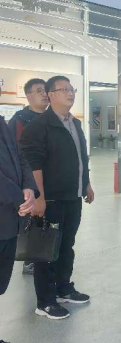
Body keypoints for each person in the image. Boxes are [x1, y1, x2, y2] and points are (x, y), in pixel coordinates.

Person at [20, 75, 95, 320]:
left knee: (66, 246)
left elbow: (81, 157)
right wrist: (39, 198)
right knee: (46, 251)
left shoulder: (75, 123)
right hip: (50, 200)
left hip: (73, 197)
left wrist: (86, 184)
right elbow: (33, 165)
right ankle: (45, 302)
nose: (70, 93)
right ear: (50, 95)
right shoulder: (39, 126)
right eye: (64, 89)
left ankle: (63, 288)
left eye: (71, 89)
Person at [0, 114, 38, 343]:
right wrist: (19, 199)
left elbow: (20, 157)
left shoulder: (2, 124)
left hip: (9, 221)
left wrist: (29, 188)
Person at [8, 77, 49, 276]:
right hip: (29, 181)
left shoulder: (54, 118)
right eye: (39, 90)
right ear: (28, 95)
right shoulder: (19, 120)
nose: (44, 94)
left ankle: (49, 253)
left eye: (45, 90)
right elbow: (14, 155)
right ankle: (30, 258)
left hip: (53, 179)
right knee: (33, 220)